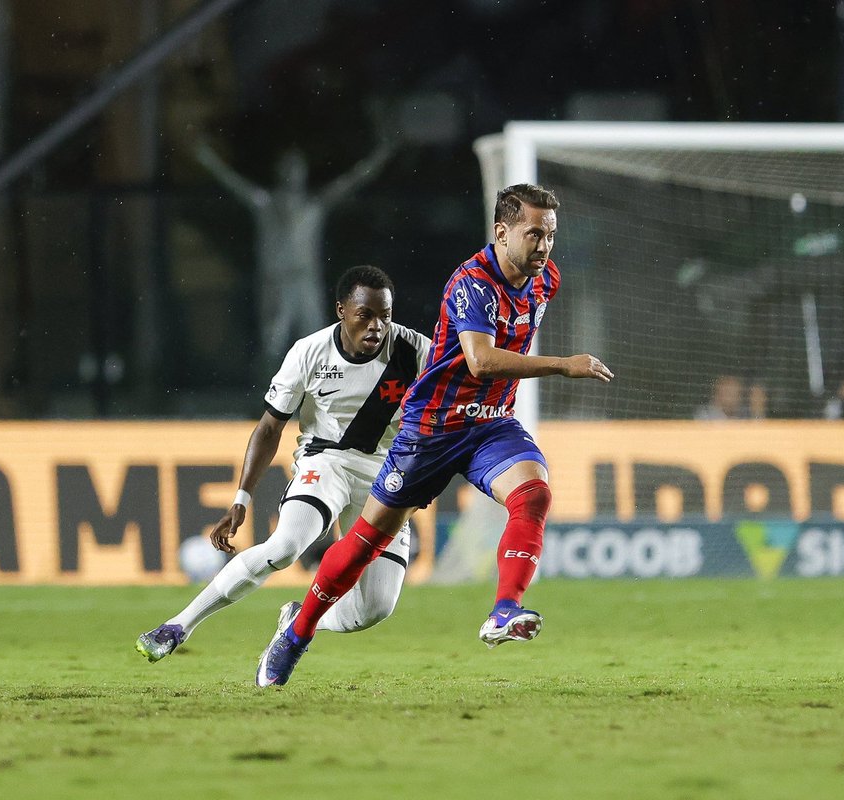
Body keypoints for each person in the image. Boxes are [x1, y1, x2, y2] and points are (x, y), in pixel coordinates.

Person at [254, 183, 614, 687]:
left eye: (550, 235)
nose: (544, 246)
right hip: (433, 428)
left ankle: (505, 610)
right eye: (534, 234)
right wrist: (561, 365)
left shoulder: (544, 279)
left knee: (533, 494)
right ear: (502, 232)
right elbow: (480, 360)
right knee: (364, 544)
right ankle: (297, 631)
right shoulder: (472, 283)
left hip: (490, 422)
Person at [135, 265, 430, 662]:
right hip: (326, 461)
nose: (376, 326)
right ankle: (177, 625)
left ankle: (299, 622)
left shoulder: (416, 350)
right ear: (342, 310)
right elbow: (269, 427)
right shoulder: (309, 352)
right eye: (365, 315)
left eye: (385, 316)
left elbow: (457, 399)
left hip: (385, 473)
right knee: (286, 546)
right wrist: (241, 498)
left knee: (375, 608)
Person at [195, 116, 395, 367]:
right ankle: (269, 388)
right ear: (279, 171)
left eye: (297, 167)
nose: (292, 172)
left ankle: (317, 389)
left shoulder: (313, 205)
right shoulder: (266, 204)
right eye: (288, 166)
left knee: (316, 342)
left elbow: (351, 181)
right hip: (276, 281)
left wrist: (379, 156)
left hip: (305, 281)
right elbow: (232, 182)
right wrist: (206, 157)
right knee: (273, 343)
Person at [695, 374, 766, 420]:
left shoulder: (744, 414)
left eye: (737, 393)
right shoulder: (706, 415)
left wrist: (757, 411)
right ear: (718, 393)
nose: (734, 397)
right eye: (729, 393)